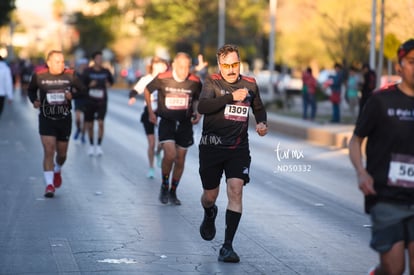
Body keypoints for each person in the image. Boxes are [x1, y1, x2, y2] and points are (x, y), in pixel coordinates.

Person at [349, 38, 414, 275]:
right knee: (394, 268)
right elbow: (356, 140)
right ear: (399, 66)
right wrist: (361, 172)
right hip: (387, 197)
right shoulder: (380, 101)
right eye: (412, 62)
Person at [197, 44, 268, 263]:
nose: (231, 69)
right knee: (210, 196)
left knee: (236, 190)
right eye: (226, 65)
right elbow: (203, 107)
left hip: (238, 148)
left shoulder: (250, 84)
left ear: (240, 63)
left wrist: (262, 122)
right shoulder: (212, 81)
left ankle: (227, 246)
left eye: (235, 64)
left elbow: (258, 107)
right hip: (211, 147)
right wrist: (230, 97)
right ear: (220, 65)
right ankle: (209, 213)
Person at [144, 52, 202, 205]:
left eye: (187, 67)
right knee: (170, 155)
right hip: (167, 121)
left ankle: (173, 191)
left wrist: (198, 113)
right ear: (174, 65)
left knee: (180, 159)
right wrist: (151, 112)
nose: (184, 70)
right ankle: (164, 185)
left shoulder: (195, 81)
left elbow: (197, 99)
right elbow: (147, 90)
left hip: (185, 124)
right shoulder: (163, 77)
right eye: (181, 66)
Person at [27, 50, 87, 197]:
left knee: (62, 154)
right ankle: (49, 185)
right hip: (47, 118)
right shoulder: (39, 75)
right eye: (57, 61)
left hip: (64, 119)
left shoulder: (70, 75)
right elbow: (31, 90)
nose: (61, 64)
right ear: (49, 63)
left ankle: (58, 168)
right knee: (49, 151)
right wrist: (34, 100)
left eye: (62, 61)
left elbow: (84, 90)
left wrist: (73, 95)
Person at [128, 56, 169, 179]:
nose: (162, 67)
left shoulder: (167, 79)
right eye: (159, 65)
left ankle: (158, 152)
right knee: (151, 143)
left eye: (163, 65)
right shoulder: (146, 79)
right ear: (153, 66)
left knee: (162, 142)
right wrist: (132, 96)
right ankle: (151, 168)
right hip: (148, 112)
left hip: (162, 112)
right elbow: (135, 90)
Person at [82, 51, 114, 156]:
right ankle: (91, 145)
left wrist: (108, 84)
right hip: (89, 101)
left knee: (101, 123)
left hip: (102, 101)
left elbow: (111, 83)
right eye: (98, 58)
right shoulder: (87, 72)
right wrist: (89, 85)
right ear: (94, 60)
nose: (100, 60)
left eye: (101, 58)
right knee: (90, 125)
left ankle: (99, 146)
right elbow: (81, 86)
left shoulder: (106, 71)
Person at [73, 58, 89, 144]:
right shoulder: (75, 74)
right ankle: (78, 129)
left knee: (85, 119)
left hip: (87, 98)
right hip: (78, 98)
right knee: (78, 118)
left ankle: (83, 135)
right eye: (82, 64)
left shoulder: (88, 74)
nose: (83, 66)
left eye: (85, 64)